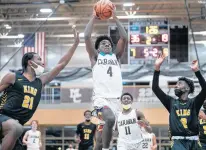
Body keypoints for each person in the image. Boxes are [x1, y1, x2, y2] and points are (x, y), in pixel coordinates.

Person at [0, 27, 79, 150]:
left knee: (17, 129)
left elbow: (61, 65)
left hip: (17, 126)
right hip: (3, 117)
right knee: (16, 127)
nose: (43, 63)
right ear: (30, 62)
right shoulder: (13, 77)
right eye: (39, 59)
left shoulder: (40, 82)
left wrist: (75, 44)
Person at [84, 6, 127, 150]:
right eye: (103, 43)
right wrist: (93, 18)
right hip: (101, 98)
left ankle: (102, 147)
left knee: (101, 140)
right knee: (109, 119)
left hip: (115, 100)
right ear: (98, 48)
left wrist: (115, 18)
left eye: (109, 43)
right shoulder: (95, 58)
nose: (107, 44)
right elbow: (86, 36)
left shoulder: (117, 57)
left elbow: (124, 37)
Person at [152, 54, 206, 150]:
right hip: (178, 142)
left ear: (187, 88)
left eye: (179, 84)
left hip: (194, 142)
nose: (176, 86)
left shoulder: (194, 103)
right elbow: (155, 88)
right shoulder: (171, 102)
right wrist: (157, 68)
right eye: (176, 84)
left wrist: (197, 71)